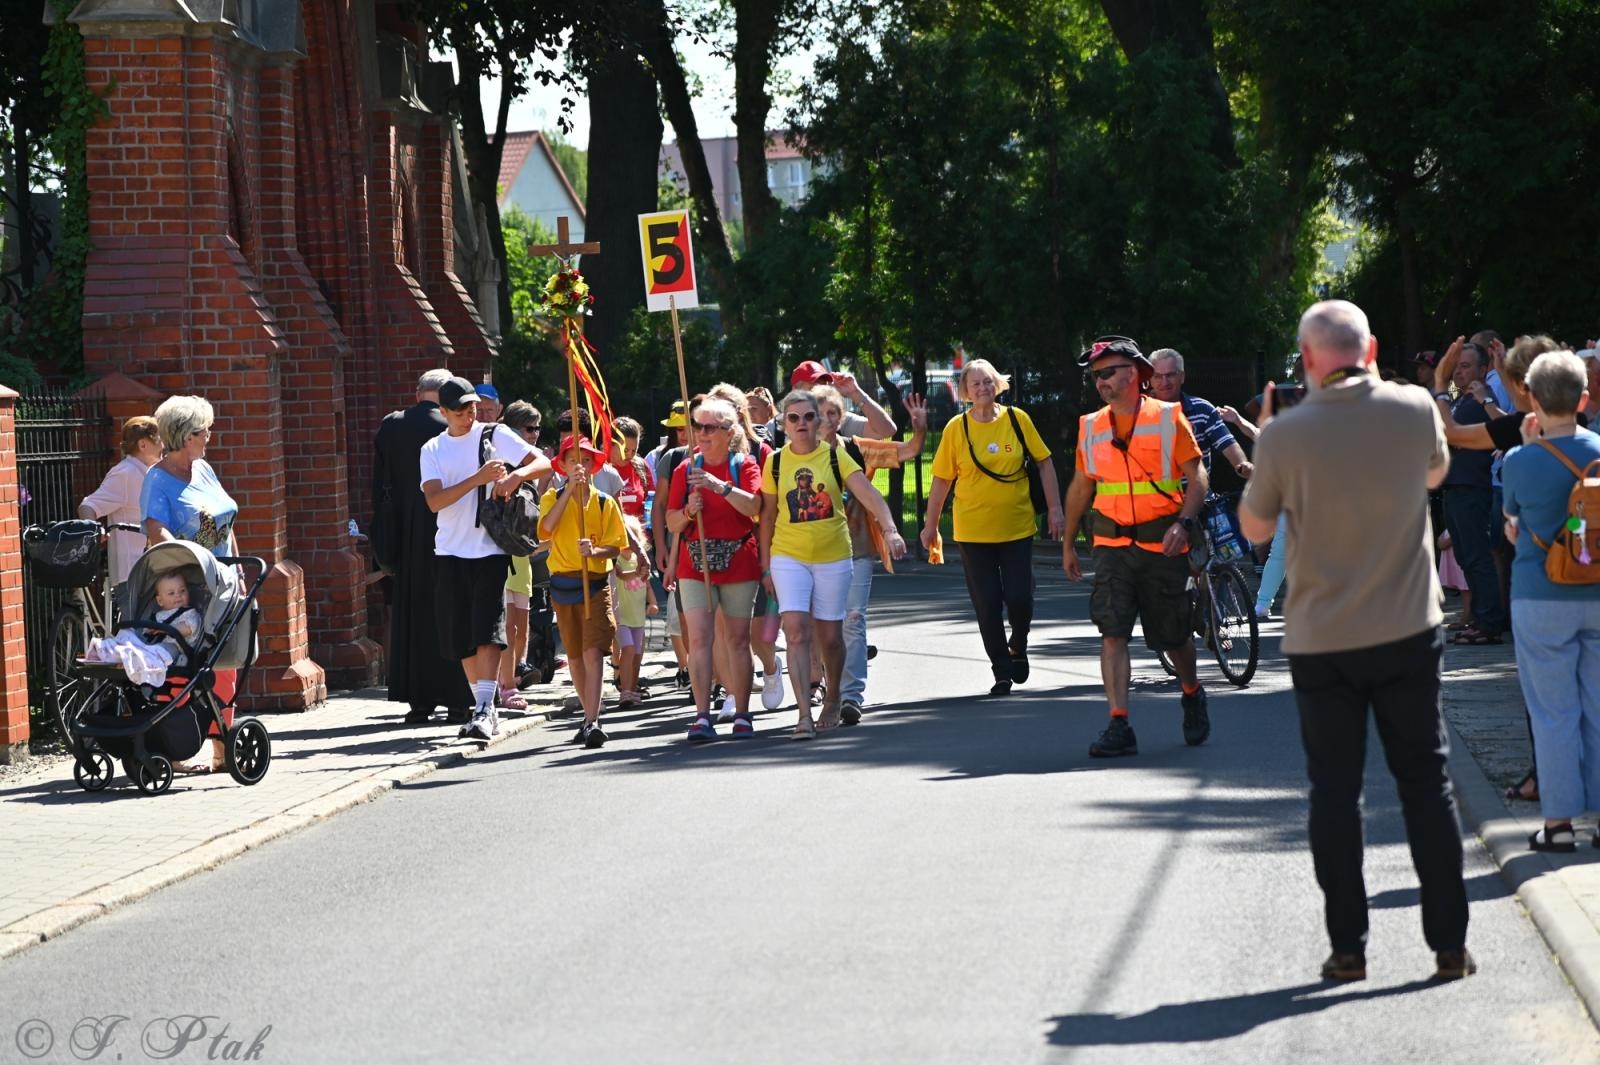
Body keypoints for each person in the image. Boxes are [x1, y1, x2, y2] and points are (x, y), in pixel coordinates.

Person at [1238, 298, 1473, 983]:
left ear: (1308, 360)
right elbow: (1434, 475)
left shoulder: (1285, 434)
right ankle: (1449, 945)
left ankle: (1349, 947)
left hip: (1322, 638)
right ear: (1369, 352)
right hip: (1406, 625)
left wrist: (1267, 441)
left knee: (1335, 794)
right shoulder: (1413, 409)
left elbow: (1255, 532)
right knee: (1426, 785)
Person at [1061, 339, 1209, 757]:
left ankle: (1192, 692)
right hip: (1110, 543)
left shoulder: (1168, 418)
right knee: (1113, 630)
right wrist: (1069, 542)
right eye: (1095, 376)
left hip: (1162, 541)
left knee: (1172, 635)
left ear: (1134, 372)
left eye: (1107, 373)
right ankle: (1119, 723)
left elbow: (1197, 477)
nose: (1100, 383)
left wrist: (1185, 522)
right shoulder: (1090, 425)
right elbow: (1081, 485)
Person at [761, 390, 906, 738]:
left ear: (820, 420)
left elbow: (869, 494)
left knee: (830, 638)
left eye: (809, 417)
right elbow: (767, 515)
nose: (801, 424)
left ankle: (834, 697)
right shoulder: (776, 463)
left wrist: (890, 530)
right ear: (783, 423)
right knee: (795, 631)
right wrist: (766, 565)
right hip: (788, 556)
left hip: (833, 557)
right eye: (793, 418)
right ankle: (803, 715)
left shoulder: (836, 456)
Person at [1501, 350, 1600, 853]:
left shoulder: (1521, 460)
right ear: (1584, 398)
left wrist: (1525, 444)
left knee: (1552, 712)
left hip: (1540, 594)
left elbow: (1512, 524)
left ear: (1532, 401)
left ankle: (1559, 825)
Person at [419, 377, 551, 742]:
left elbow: (543, 463)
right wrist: (478, 478)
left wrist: (514, 477)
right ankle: (483, 702)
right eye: (460, 411)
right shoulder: (432, 449)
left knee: (488, 628)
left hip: (491, 548)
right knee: (459, 633)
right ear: (443, 412)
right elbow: (434, 501)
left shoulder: (495, 435)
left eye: (473, 407)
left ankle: (484, 709)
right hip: (449, 549)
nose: (469, 415)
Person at [921, 359, 1062, 698]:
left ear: (997, 384)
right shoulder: (957, 428)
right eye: (975, 384)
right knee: (987, 603)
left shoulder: (1017, 419)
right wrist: (930, 525)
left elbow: (1044, 462)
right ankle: (1001, 670)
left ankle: (1019, 642)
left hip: (1016, 526)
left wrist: (1055, 509)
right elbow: (941, 480)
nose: (982, 388)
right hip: (973, 531)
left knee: (1019, 598)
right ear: (966, 392)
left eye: (987, 382)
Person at [815, 386, 927, 725]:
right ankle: (824, 686)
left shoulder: (857, 449)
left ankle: (851, 696)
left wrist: (920, 427)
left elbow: (908, 450)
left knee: (853, 619)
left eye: (834, 412)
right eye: (821, 412)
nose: (828, 419)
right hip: (813, 551)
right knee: (822, 625)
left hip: (857, 547)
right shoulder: (794, 456)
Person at [141, 395, 241, 770]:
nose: (210, 437)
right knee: (184, 666)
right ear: (186, 436)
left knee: (227, 664)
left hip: (224, 580)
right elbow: (156, 530)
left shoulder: (204, 469)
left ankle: (221, 748)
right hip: (188, 587)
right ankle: (173, 746)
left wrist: (237, 570)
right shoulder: (158, 479)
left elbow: (226, 521)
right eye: (204, 431)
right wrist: (189, 561)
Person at [373, 369, 474, 726]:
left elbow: (379, 488)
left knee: (415, 618)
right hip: (453, 532)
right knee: (454, 614)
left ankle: (419, 701)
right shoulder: (455, 430)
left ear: (418, 393)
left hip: (409, 537)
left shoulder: (392, 426)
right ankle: (460, 700)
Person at [668, 396, 765, 742]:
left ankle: (742, 713)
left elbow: (753, 507)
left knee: (738, 640)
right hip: (694, 564)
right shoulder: (684, 469)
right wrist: (689, 511)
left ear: (729, 432)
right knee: (700, 640)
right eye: (698, 426)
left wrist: (717, 486)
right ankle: (702, 716)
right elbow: (672, 522)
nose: (702, 433)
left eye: (710, 427)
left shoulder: (745, 464)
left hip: (739, 560)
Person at [538, 435, 627, 747]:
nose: (580, 465)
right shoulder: (551, 497)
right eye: (573, 460)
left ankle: (593, 719)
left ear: (594, 466)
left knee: (593, 652)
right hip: (564, 584)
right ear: (562, 465)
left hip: (595, 585)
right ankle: (589, 713)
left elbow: (617, 545)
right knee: (574, 656)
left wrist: (596, 551)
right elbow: (546, 528)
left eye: (586, 460)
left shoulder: (605, 502)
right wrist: (567, 494)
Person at [1432, 342, 1507, 644]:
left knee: (1476, 557)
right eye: (1457, 367)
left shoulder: (1481, 400)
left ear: (1483, 369)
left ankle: (1488, 623)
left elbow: (1450, 433)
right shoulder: (1462, 400)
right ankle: (1478, 617)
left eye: (1466, 366)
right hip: (1455, 486)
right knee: (1466, 557)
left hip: (1472, 488)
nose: (1460, 372)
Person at [495, 400, 548, 710]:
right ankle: (505, 684)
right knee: (504, 619)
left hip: (522, 548)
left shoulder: (530, 464)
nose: (535, 435)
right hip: (502, 545)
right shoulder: (501, 460)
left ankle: (514, 674)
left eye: (538, 429)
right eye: (529, 429)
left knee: (519, 618)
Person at [79, 415, 161, 585]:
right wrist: (93, 530)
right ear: (143, 444)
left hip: (152, 570)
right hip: (131, 574)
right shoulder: (125, 473)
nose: (164, 446)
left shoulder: (148, 472)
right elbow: (88, 505)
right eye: (160, 440)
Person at [1149, 349, 1253, 480]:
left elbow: (1227, 444)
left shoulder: (1202, 410)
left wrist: (1243, 466)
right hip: (1153, 499)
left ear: (1182, 377)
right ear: (1150, 379)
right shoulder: (1137, 412)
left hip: (1198, 497)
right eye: (1157, 376)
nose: (1164, 382)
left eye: (1170, 375)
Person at [765, 361, 897, 445]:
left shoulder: (837, 421)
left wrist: (855, 392)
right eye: (812, 387)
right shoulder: (775, 428)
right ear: (795, 391)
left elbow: (887, 430)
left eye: (823, 386)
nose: (819, 393)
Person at [613, 515, 658, 708]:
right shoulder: (616, 560)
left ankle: (631, 689)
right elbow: (621, 576)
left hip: (638, 617)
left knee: (638, 654)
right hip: (621, 616)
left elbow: (647, 585)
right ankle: (624, 691)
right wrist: (638, 572)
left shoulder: (639, 560)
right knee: (628, 650)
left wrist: (653, 602)